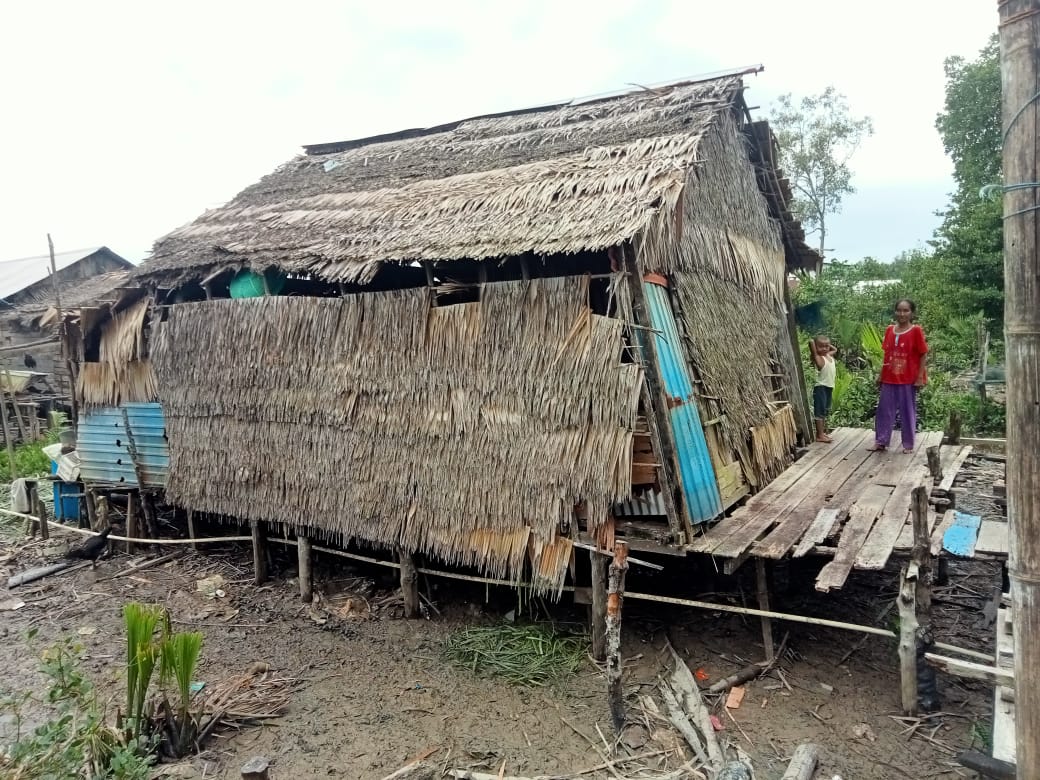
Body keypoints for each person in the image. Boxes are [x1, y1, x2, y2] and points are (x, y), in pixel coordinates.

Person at [870, 299, 928, 454]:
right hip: (889, 377)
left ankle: (908, 444)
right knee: (884, 410)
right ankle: (881, 441)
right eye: (899, 310)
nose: (902, 314)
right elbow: (887, 355)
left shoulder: (916, 331)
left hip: (908, 378)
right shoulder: (890, 330)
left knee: (907, 411)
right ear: (895, 311)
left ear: (912, 313)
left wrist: (920, 377)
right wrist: (881, 375)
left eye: (906, 310)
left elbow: (923, 354)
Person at [809, 335, 837, 443]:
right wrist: (815, 348)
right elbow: (811, 341)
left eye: (826, 346)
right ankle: (819, 435)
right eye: (821, 347)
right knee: (819, 412)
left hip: (829, 388)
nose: (825, 349)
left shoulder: (828, 355)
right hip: (821, 388)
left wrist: (827, 345)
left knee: (824, 411)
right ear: (816, 348)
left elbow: (835, 349)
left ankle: (822, 433)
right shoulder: (819, 359)